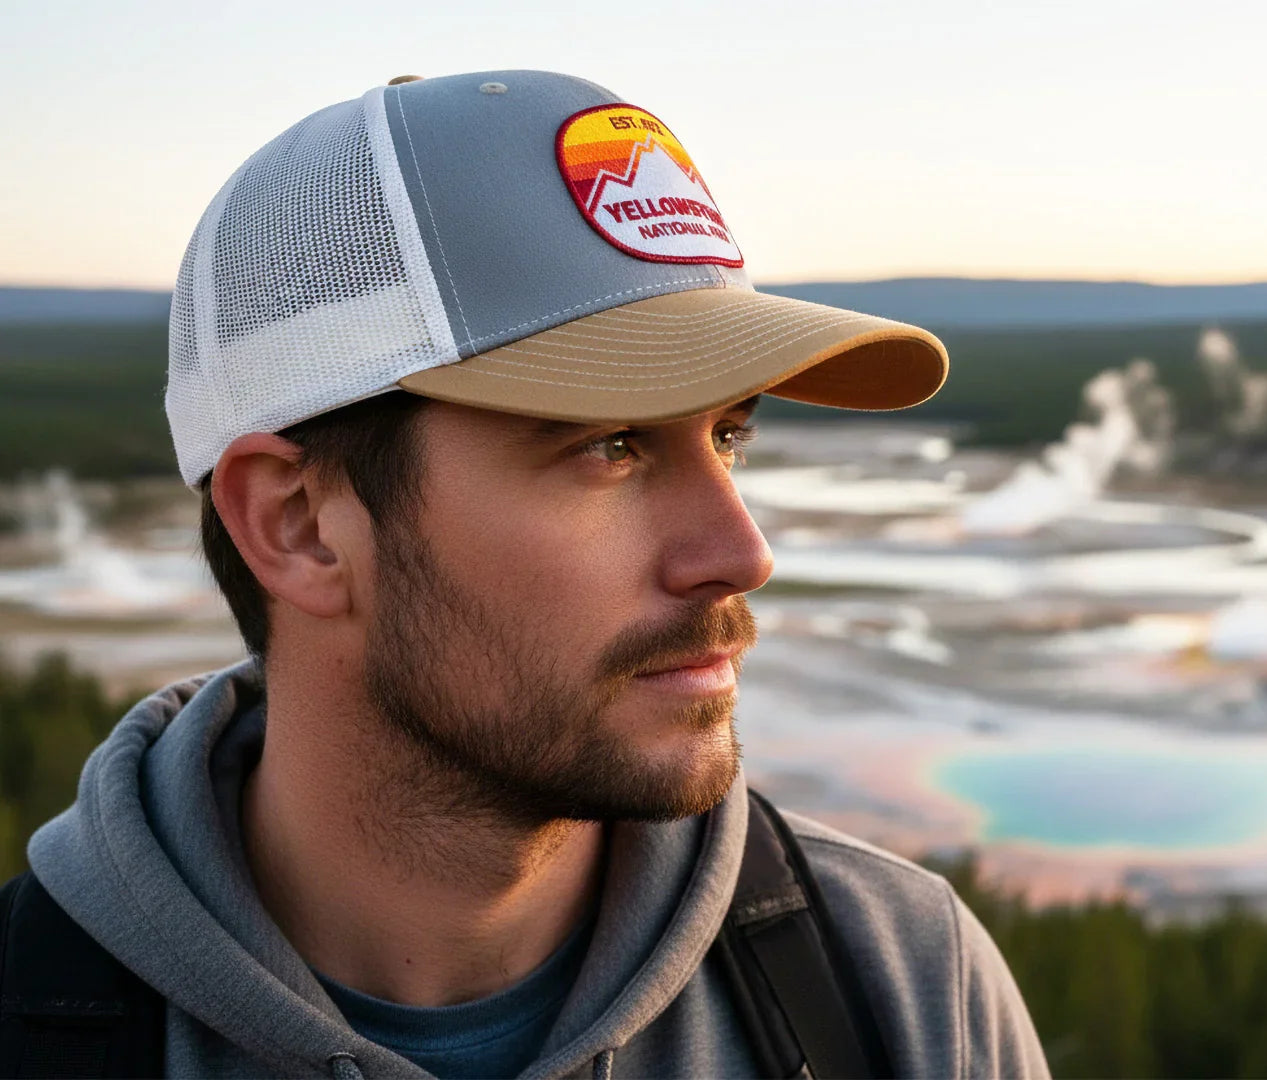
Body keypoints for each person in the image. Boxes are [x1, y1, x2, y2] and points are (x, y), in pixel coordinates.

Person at [10, 71, 1048, 1078]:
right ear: (299, 528)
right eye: (609, 447)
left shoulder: (900, 986)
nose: (741, 553)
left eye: (728, 436)